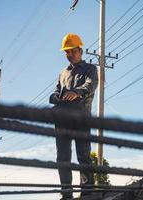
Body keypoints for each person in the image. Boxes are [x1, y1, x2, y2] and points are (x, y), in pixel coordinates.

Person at [49, 33, 98, 200]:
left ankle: (87, 193)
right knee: (62, 158)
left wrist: (76, 92)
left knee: (83, 155)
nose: (69, 54)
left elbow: (90, 86)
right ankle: (66, 195)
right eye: (66, 52)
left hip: (81, 118)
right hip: (62, 120)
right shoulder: (63, 73)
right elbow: (56, 91)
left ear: (80, 50)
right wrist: (55, 97)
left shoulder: (90, 69)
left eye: (71, 51)